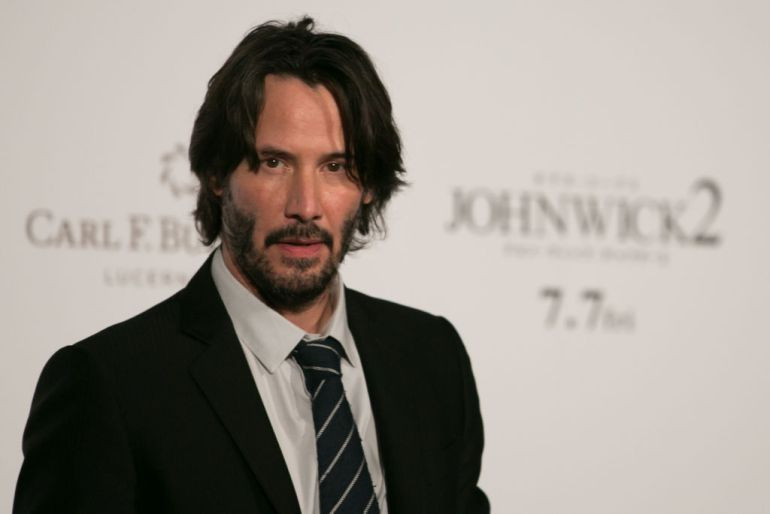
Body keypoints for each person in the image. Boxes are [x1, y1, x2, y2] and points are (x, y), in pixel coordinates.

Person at [14, 17, 489, 514]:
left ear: (368, 185)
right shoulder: (109, 385)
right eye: (273, 163)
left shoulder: (432, 359)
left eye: (335, 167)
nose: (305, 206)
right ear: (216, 173)